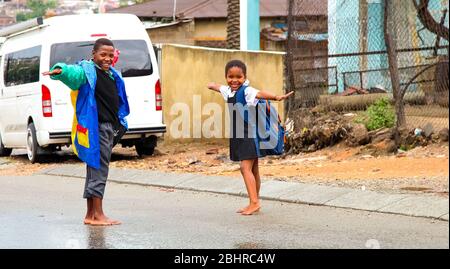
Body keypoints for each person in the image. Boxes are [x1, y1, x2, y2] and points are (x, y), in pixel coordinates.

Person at [42, 38, 130, 226]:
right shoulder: (88, 71)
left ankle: (91, 214)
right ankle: (98, 214)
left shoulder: (111, 74)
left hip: (106, 127)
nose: (107, 58)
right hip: (96, 127)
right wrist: (61, 71)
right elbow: (75, 73)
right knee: (99, 169)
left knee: (93, 168)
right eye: (102, 54)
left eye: (110, 55)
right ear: (93, 55)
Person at [207, 60, 293, 215]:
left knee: (244, 168)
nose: (234, 80)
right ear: (226, 77)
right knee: (253, 169)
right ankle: (254, 200)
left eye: (238, 77)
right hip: (238, 135)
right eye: (230, 76)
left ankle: (254, 202)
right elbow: (219, 88)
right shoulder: (229, 91)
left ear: (244, 77)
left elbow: (260, 93)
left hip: (249, 134)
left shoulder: (247, 91)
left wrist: (276, 97)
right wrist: (212, 85)